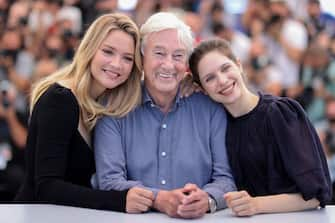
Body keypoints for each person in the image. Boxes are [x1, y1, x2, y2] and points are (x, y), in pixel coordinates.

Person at [94, 12, 236, 219]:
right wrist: (159, 199)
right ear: (141, 58)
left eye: (178, 56)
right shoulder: (114, 108)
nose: (169, 65)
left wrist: (207, 199)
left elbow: (226, 178)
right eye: (159, 53)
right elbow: (108, 181)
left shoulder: (211, 108)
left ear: (186, 63)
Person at [14, 13, 154, 213]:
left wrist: (187, 85)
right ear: (90, 50)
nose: (116, 64)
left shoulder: (106, 103)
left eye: (127, 58)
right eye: (108, 52)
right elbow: (46, 187)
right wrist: (119, 201)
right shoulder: (60, 100)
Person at [188, 38, 332, 216]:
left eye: (226, 68)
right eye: (210, 78)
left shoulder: (280, 113)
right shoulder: (218, 126)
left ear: (239, 65)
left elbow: (316, 195)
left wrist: (256, 205)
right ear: (202, 89)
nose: (222, 80)